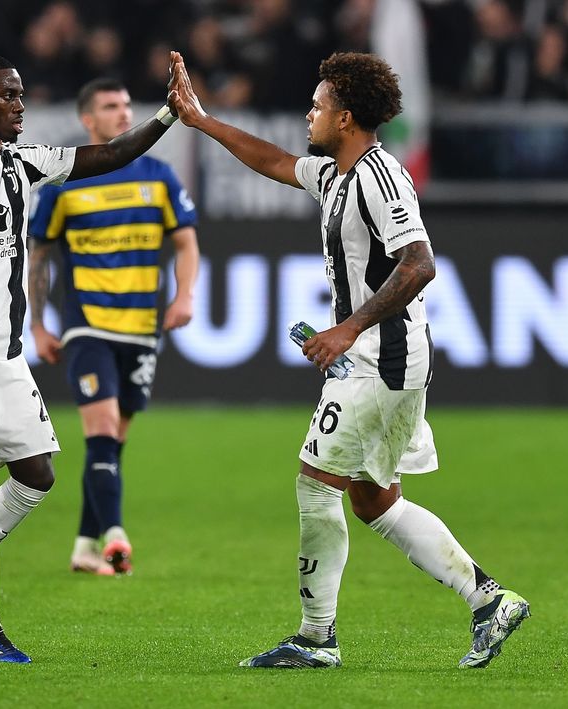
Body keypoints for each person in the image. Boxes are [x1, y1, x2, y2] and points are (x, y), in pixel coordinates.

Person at [168, 50, 530, 669]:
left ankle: (316, 638)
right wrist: (201, 121)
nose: (309, 113)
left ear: (347, 116)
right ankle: (488, 600)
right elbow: (275, 161)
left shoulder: (379, 176)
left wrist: (348, 328)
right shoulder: (338, 174)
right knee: (370, 498)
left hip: (379, 358)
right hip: (377, 356)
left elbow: (420, 263)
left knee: (315, 484)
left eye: (319, 104)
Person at [0, 54, 182, 663]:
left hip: (0, 344)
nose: (20, 104)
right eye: (7, 95)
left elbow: (106, 156)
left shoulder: (24, 163)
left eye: (21, 95)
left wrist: (169, 115)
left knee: (36, 474)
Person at [27, 78, 199, 576]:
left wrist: (184, 294)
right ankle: (116, 535)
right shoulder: (67, 182)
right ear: (88, 119)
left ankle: (82, 546)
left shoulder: (161, 176)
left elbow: (186, 242)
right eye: (110, 106)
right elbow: (39, 258)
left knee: (111, 444)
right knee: (101, 431)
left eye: (126, 105)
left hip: (143, 329)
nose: (124, 113)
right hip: (88, 327)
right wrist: (38, 325)